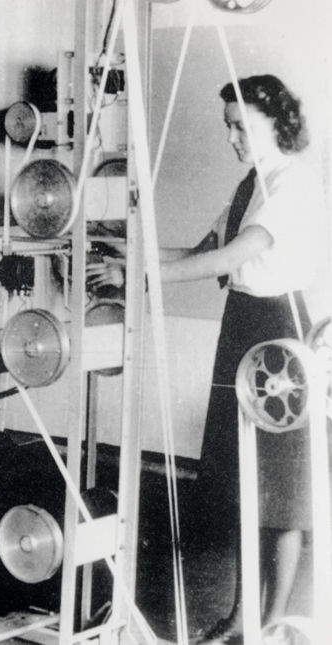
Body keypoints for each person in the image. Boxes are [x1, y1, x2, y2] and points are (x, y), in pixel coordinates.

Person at [89, 74, 325, 643]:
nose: (233, 138)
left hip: (279, 335)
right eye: (228, 128)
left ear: (275, 122)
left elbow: (241, 253)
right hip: (241, 325)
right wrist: (130, 251)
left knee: (281, 486)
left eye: (240, 127)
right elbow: (201, 253)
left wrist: (138, 276)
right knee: (244, 479)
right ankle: (242, 615)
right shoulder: (252, 182)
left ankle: (271, 625)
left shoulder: (294, 183)